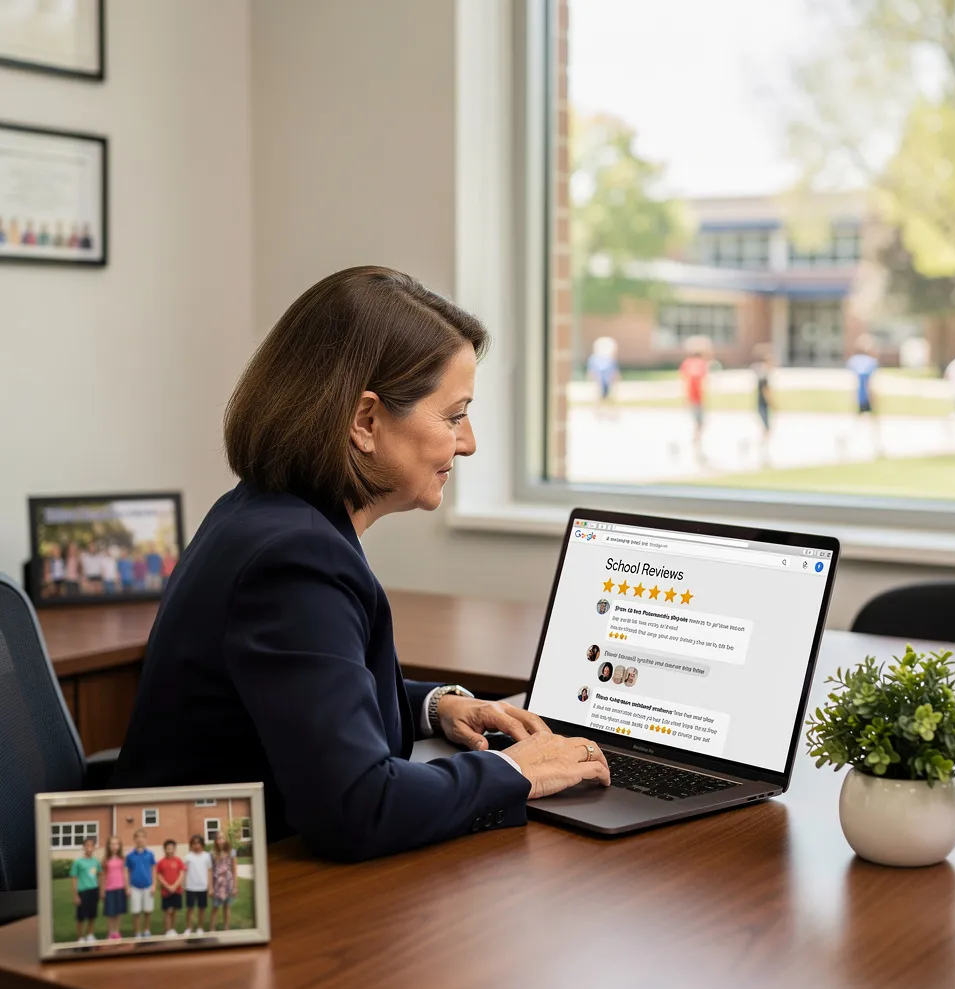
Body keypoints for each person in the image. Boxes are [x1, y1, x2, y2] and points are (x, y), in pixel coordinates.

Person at [110, 267, 609, 862]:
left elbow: (312, 691)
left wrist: (435, 705)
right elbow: (357, 807)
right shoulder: (297, 560)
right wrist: (512, 771)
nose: (468, 442)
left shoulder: (260, 512)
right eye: (454, 416)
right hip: (213, 888)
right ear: (365, 422)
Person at [679, 335, 713, 452]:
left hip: (691, 396)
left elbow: (685, 381)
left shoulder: (687, 363)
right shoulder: (702, 364)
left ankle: (696, 439)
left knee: (698, 421)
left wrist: (685, 397)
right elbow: (703, 382)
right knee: (701, 421)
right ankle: (696, 440)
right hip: (698, 397)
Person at [125, 828, 156, 937]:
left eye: (142, 837)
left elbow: (153, 869)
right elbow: (128, 871)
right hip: (135, 887)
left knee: (148, 910)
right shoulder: (130, 855)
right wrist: (128, 886)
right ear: (134, 839)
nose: (140, 839)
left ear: (145, 839)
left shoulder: (150, 854)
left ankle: (146, 930)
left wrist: (154, 885)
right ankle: (137, 932)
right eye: (137, 837)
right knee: (136, 911)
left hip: (148, 886)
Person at [69, 837, 101, 943]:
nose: (89, 848)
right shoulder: (78, 862)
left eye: (91, 846)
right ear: (83, 847)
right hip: (83, 892)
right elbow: (74, 878)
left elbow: (100, 874)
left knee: (92, 915)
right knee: (81, 916)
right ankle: (80, 937)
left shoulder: (96, 862)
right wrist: (75, 895)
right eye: (87, 846)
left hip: (94, 891)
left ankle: (90, 934)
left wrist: (100, 889)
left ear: (94, 848)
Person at [183, 835, 213, 935]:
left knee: (202, 908)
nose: (196, 845)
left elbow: (209, 871)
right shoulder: (188, 857)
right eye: (194, 843)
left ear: (202, 844)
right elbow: (184, 871)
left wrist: (210, 887)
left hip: (203, 887)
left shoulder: (207, 856)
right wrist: (184, 884)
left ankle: (200, 928)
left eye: (198, 843)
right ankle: (188, 928)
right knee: (189, 909)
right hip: (190, 887)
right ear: (191, 845)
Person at [209, 831, 238, 932]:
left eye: (222, 838)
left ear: (225, 839)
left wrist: (235, 886)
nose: (220, 840)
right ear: (215, 841)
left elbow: (234, 869)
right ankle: (212, 928)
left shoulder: (231, 852)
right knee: (215, 906)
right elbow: (210, 870)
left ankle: (226, 927)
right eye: (218, 838)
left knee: (227, 906)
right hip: (216, 883)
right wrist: (210, 887)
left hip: (228, 882)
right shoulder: (212, 853)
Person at [156, 839, 186, 935]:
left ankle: (173, 929)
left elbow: (181, 874)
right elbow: (159, 875)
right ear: (164, 849)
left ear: (175, 849)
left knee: (174, 911)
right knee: (167, 911)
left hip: (176, 891)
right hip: (166, 891)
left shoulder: (178, 861)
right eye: (168, 848)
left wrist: (174, 886)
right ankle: (167, 930)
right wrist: (168, 886)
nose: (170, 850)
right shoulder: (161, 862)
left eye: (172, 848)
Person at [100, 835, 127, 940]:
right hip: (109, 889)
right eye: (112, 844)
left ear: (119, 846)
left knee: (118, 912)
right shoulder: (105, 860)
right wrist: (102, 890)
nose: (114, 846)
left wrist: (127, 887)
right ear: (108, 846)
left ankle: (117, 931)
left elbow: (125, 873)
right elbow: (102, 876)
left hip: (120, 887)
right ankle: (111, 932)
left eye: (117, 843)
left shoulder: (123, 859)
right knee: (110, 912)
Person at [847, 334, 879, 416]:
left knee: (867, 414)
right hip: (863, 392)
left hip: (865, 392)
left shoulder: (857, 360)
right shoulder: (868, 361)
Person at [586, 336, 620, 411]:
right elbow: (592, 370)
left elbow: (614, 371)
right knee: (599, 394)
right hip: (600, 380)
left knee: (609, 395)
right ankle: (599, 409)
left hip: (607, 381)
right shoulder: (595, 358)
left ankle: (609, 409)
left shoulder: (609, 359)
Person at [750, 343, 774, 439]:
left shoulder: (761, 373)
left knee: (766, 427)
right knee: (766, 427)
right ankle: (762, 446)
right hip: (763, 404)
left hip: (761, 404)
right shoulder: (763, 375)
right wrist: (773, 403)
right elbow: (765, 391)